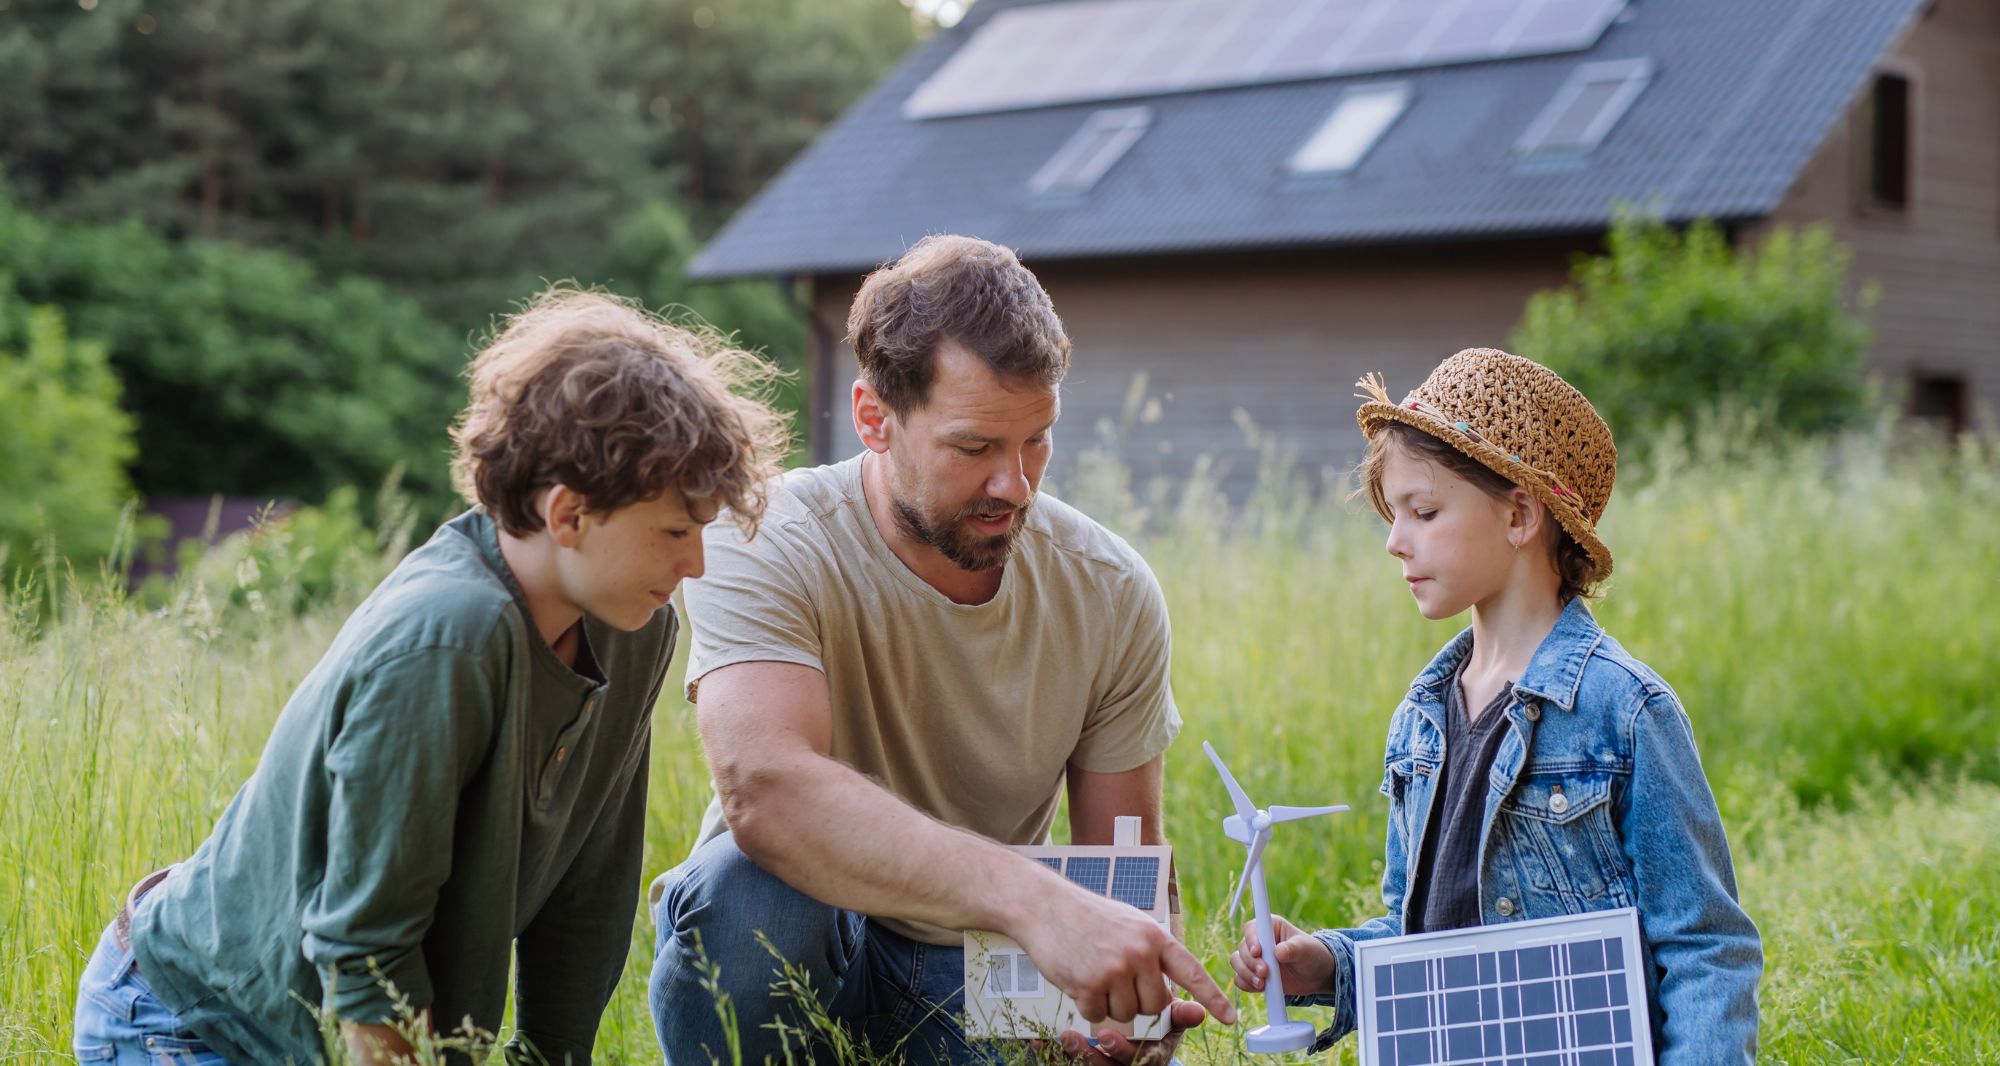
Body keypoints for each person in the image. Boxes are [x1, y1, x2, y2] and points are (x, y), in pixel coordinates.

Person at [71, 289, 789, 1065]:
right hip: (196, 1025)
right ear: (569, 515)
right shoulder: (445, 642)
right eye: (676, 531)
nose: (696, 564)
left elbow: (591, 881)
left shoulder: (636, 628)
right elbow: (366, 950)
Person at [647, 235, 1234, 1066]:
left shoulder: (1109, 589)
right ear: (873, 419)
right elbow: (766, 793)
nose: (1016, 484)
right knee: (750, 895)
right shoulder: (764, 535)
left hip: (986, 969)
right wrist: (1031, 898)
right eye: (974, 449)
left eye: (1036, 440)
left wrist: (1130, 1014)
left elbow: (1125, 868)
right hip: (812, 939)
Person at [1228, 348, 1762, 1063]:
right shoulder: (1419, 719)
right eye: (1393, 514)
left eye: (1424, 511)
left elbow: (1704, 946)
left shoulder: (1625, 712)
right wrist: (1327, 962)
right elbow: (1423, 941)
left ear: (1518, 515)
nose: (1394, 541)